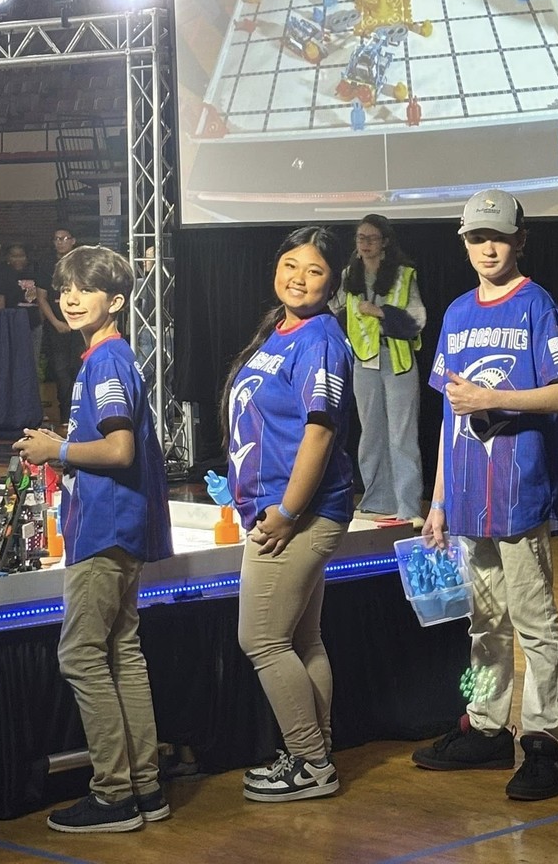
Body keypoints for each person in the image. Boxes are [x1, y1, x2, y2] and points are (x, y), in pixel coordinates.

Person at [412, 189, 558, 802]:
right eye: (476, 238)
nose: (487, 247)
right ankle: (487, 727)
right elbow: (446, 417)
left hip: (519, 492)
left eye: (499, 237)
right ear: (463, 243)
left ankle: (545, 742)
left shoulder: (537, 305)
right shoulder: (457, 313)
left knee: (533, 620)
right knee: (484, 621)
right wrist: (436, 501)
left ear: (518, 241)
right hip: (467, 495)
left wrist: (494, 399)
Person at [13, 244, 173, 833]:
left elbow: (118, 448)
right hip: (119, 526)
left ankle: (113, 796)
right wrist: (60, 441)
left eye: (85, 287)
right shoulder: (108, 358)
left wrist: (56, 449)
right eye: (64, 289)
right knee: (120, 652)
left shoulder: (106, 360)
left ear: (118, 301)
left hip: (105, 529)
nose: (71, 297)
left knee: (82, 654)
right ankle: (145, 788)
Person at [222, 226, 353, 803]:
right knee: (302, 640)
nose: (299, 278)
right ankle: (315, 752)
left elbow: (320, 433)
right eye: (290, 265)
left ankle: (309, 762)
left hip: (297, 516)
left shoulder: (321, 338)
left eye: (315, 270)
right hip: (276, 509)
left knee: (261, 639)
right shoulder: (279, 332)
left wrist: (287, 512)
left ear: (334, 281)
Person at [330, 214, 425, 525]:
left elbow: (417, 320)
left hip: (397, 361)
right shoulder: (349, 275)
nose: (365, 244)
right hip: (364, 363)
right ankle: (376, 501)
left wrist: (380, 312)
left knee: (401, 436)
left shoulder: (403, 275)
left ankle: (408, 507)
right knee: (370, 435)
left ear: (385, 241)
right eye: (361, 238)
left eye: (371, 238)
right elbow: (333, 308)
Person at [36, 227, 84, 428]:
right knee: (61, 371)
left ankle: (82, 415)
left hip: (80, 325)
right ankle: (65, 417)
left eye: (64, 238)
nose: (60, 242)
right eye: (56, 238)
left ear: (73, 240)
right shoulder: (46, 265)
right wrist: (56, 323)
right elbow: (41, 298)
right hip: (56, 326)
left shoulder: (82, 263)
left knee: (79, 369)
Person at [0, 243, 44, 368]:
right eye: (14, 256)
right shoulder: (3, 275)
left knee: (33, 361)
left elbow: (41, 299)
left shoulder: (35, 273)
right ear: (8, 258)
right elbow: (0, 303)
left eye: (21, 256)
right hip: (13, 323)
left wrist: (41, 320)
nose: (18, 259)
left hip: (34, 323)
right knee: (14, 360)